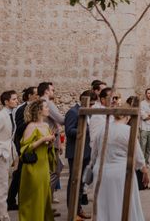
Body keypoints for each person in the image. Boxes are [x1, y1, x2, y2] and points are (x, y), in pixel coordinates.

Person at [91, 108, 148, 220]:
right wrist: (144, 170)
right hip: (121, 172)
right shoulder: (128, 130)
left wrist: (94, 165)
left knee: (104, 205)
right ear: (127, 117)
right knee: (123, 203)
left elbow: (94, 153)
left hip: (101, 171)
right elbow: (138, 155)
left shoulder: (102, 129)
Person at [18, 100, 56, 221]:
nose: (48, 109)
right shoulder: (31, 126)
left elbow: (47, 148)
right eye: (46, 107)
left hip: (43, 165)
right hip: (33, 167)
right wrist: (43, 139)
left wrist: (50, 142)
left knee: (44, 195)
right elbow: (24, 148)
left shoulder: (46, 126)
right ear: (39, 110)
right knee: (34, 197)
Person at [65, 90, 95, 220]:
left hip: (86, 151)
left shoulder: (88, 112)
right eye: (91, 103)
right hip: (75, 152)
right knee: (74, 182)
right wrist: (88, 129)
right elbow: (69, 131)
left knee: (82, 182)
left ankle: (78, 209)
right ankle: (72, 211)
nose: (92, 106)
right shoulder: (72, 112)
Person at [0, 90, 19, 221]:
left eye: (16, 99)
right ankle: (3, 215)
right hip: (0, 155)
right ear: (6, 102)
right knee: (2, 186)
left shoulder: (10, 114)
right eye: (13, 99)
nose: (16, 101)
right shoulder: (1, 116)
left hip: (7, 153)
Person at [7, 86, 37, 211]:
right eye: (36, 94)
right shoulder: (22, 109)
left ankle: (15, 200)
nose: (38, 96)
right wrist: (31, 122)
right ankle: (11, 201)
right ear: (29, 95)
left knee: (22, 175)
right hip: (22, 146)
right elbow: (18, 129)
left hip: (31, 145)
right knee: (19, 174)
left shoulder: (35, 107)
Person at [37, 82, 64, 195]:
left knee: (53, 170)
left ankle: (46, 201)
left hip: (48, 140)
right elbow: (61, 120)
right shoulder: (47, 103)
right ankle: (45, 200)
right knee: (55, 171)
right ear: (46, 91)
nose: (54, 92)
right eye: (52, 90)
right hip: (50, 141)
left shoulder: (40, 102)